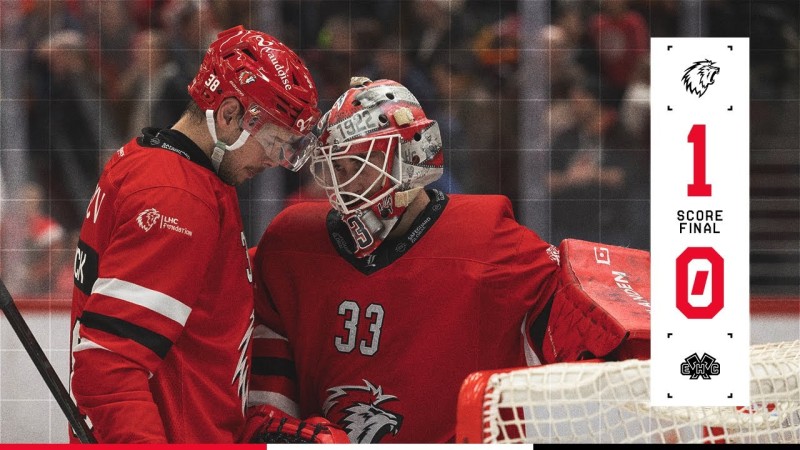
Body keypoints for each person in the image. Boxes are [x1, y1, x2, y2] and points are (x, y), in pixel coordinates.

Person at [246, 78, 562, 443]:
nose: (343, 185)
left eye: (359, 164)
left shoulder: (489, 241)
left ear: (410, 155)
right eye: (337, 168)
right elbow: (263, 403)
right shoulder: (291, 245)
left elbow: (583, 326)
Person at [69, 25, 320, 443]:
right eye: (274, 141)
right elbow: (109, 367)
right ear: (228, 114)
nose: (277, 160)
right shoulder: (176, 197)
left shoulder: (163, 165)